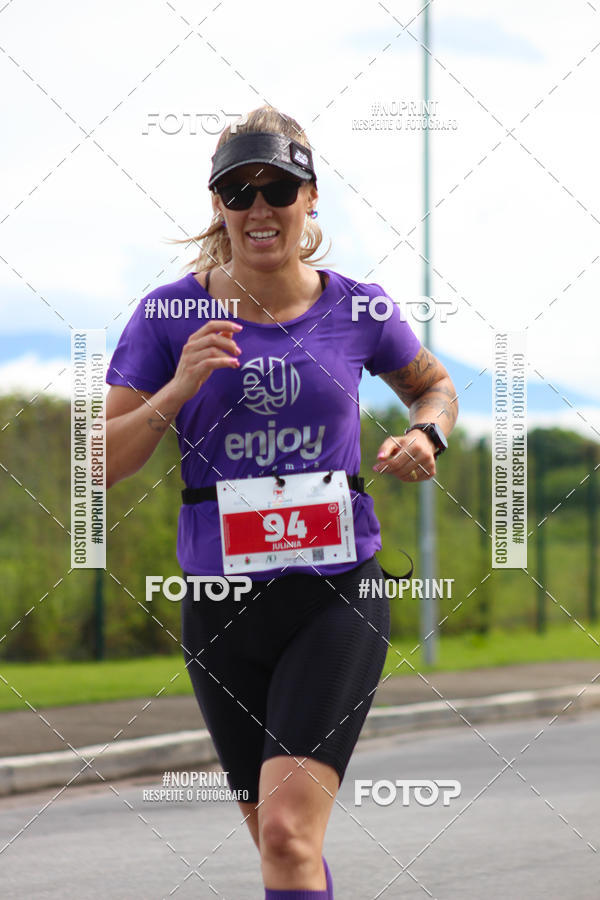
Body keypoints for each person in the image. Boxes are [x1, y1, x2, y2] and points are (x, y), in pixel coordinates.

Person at [105, 105, 458, 899]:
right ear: (218, 206)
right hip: (221, 604)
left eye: (278, 188)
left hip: (336, 592)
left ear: (311, 198)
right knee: (279, 845)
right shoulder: (167, 315)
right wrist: (179, 387)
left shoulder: (359, 306)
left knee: (288, 830)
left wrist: (427, 436)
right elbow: (99, 461)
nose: (259, 208)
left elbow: (433, 386)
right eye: (238, 191)